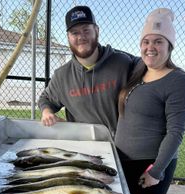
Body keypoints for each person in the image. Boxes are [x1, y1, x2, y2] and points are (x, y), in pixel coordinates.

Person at [114, 8, 185, 194]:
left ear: (170, 45)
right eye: (146, 41)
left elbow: (176, 133)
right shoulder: (139, 70)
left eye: (158, 41)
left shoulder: (179, 81)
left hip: (149, 166)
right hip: (123, 158)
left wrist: (156, 171)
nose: (151, 47)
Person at [38, 5, 138, 137]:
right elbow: (45, 99)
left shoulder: (123, 62)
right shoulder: (62, 76)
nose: (81, 37)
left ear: (97, 30)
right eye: (75, 33)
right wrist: (47, 112)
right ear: (68, 37)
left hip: (123, 147)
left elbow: (151, 68)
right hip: (84, 147)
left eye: (86, 30)